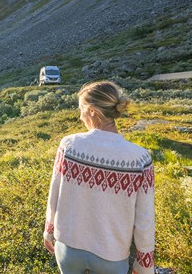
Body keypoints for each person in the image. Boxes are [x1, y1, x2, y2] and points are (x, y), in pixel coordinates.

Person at [43, 81, 155, 274]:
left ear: (93, 111)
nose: (80, 116)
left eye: (81, 109)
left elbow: (55, 193)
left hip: (69, 248)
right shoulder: (140, 159)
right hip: (111, 256)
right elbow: (145, 217)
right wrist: (145, 263)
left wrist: (49, 230)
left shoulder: (69, 145)